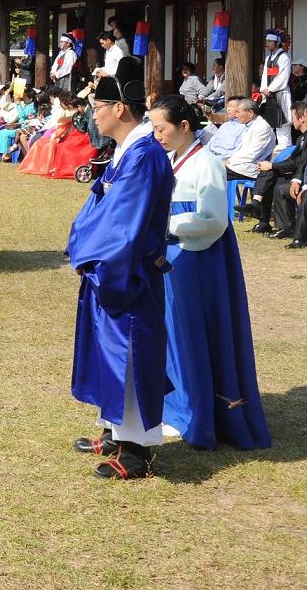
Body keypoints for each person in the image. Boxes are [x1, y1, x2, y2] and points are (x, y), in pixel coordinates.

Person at [67, 55, 173, 480]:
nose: (92, 113)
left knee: (128, 354)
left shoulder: (144, 156)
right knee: (109, 353)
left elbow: (122, 224)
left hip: (127, 273)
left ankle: (136, 449)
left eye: (97, 107)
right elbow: (99, 207)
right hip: (112, 268)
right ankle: (115, 430)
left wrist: (92, 259)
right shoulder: (127, 151)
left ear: (120, 109)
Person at [147, 95, 270, 451]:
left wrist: (165, 223)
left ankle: (193, 412)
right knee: (171, 333)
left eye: (162, 128)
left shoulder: (208, 164)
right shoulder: (173, 159)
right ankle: (175, 407)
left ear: (184, 126)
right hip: (172, 255)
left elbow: (215, 219)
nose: (157, 135)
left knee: (190, 336)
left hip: (194, 259)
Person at [248, 103, 307, 237]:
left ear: (302, 118)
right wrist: (271, 167)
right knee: (268, 175)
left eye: (293, 117)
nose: (292, 121)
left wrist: (272, 166)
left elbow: (298, 162)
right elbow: (293, 161)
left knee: (277, 183)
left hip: (305, 176)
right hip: (297, 172)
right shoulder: (301, 138)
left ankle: (285, 227)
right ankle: (263, 220)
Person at [280, 100, 307, 249]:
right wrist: (296, 180)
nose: (302, 119)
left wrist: (306, 187)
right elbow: (303, 160)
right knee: (282, 188)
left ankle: (302, 239)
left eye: (305, 116)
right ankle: (288, 228)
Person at [222, 97, 275, 182]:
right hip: (240, 164)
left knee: (215, 172)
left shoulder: (262, 128)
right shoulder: (251, 125)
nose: (236, 115)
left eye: (238, 112)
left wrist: (230, 161)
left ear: (250, 113)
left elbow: (251, 154)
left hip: (251, 168)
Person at [259, 29, 292, 146]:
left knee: (283, 123)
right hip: (269, 94)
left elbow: (283, 76)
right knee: (273, 121)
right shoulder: (268, 58)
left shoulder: (284, 57)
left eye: (269, 41)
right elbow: (264, 75)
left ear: (277, 43)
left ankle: (285, 148)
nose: (267, 44)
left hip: (280, 93)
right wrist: (263, 89)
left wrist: (271, 89)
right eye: (266, 41)